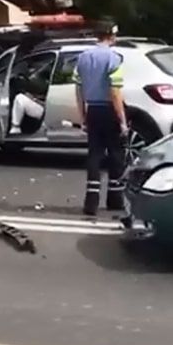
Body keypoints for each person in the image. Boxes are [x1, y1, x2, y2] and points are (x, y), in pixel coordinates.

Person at [73, 21, 127, 216]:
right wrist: (122, 120)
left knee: (94, 154)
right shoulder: (114, 58)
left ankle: (91, 202)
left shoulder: (83, 58)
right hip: (109, 110)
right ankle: (115, 198)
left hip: (93, 110)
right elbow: (115, 92)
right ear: (111, 35)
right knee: (115, 154)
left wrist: (83, 116)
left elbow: (78, 90)